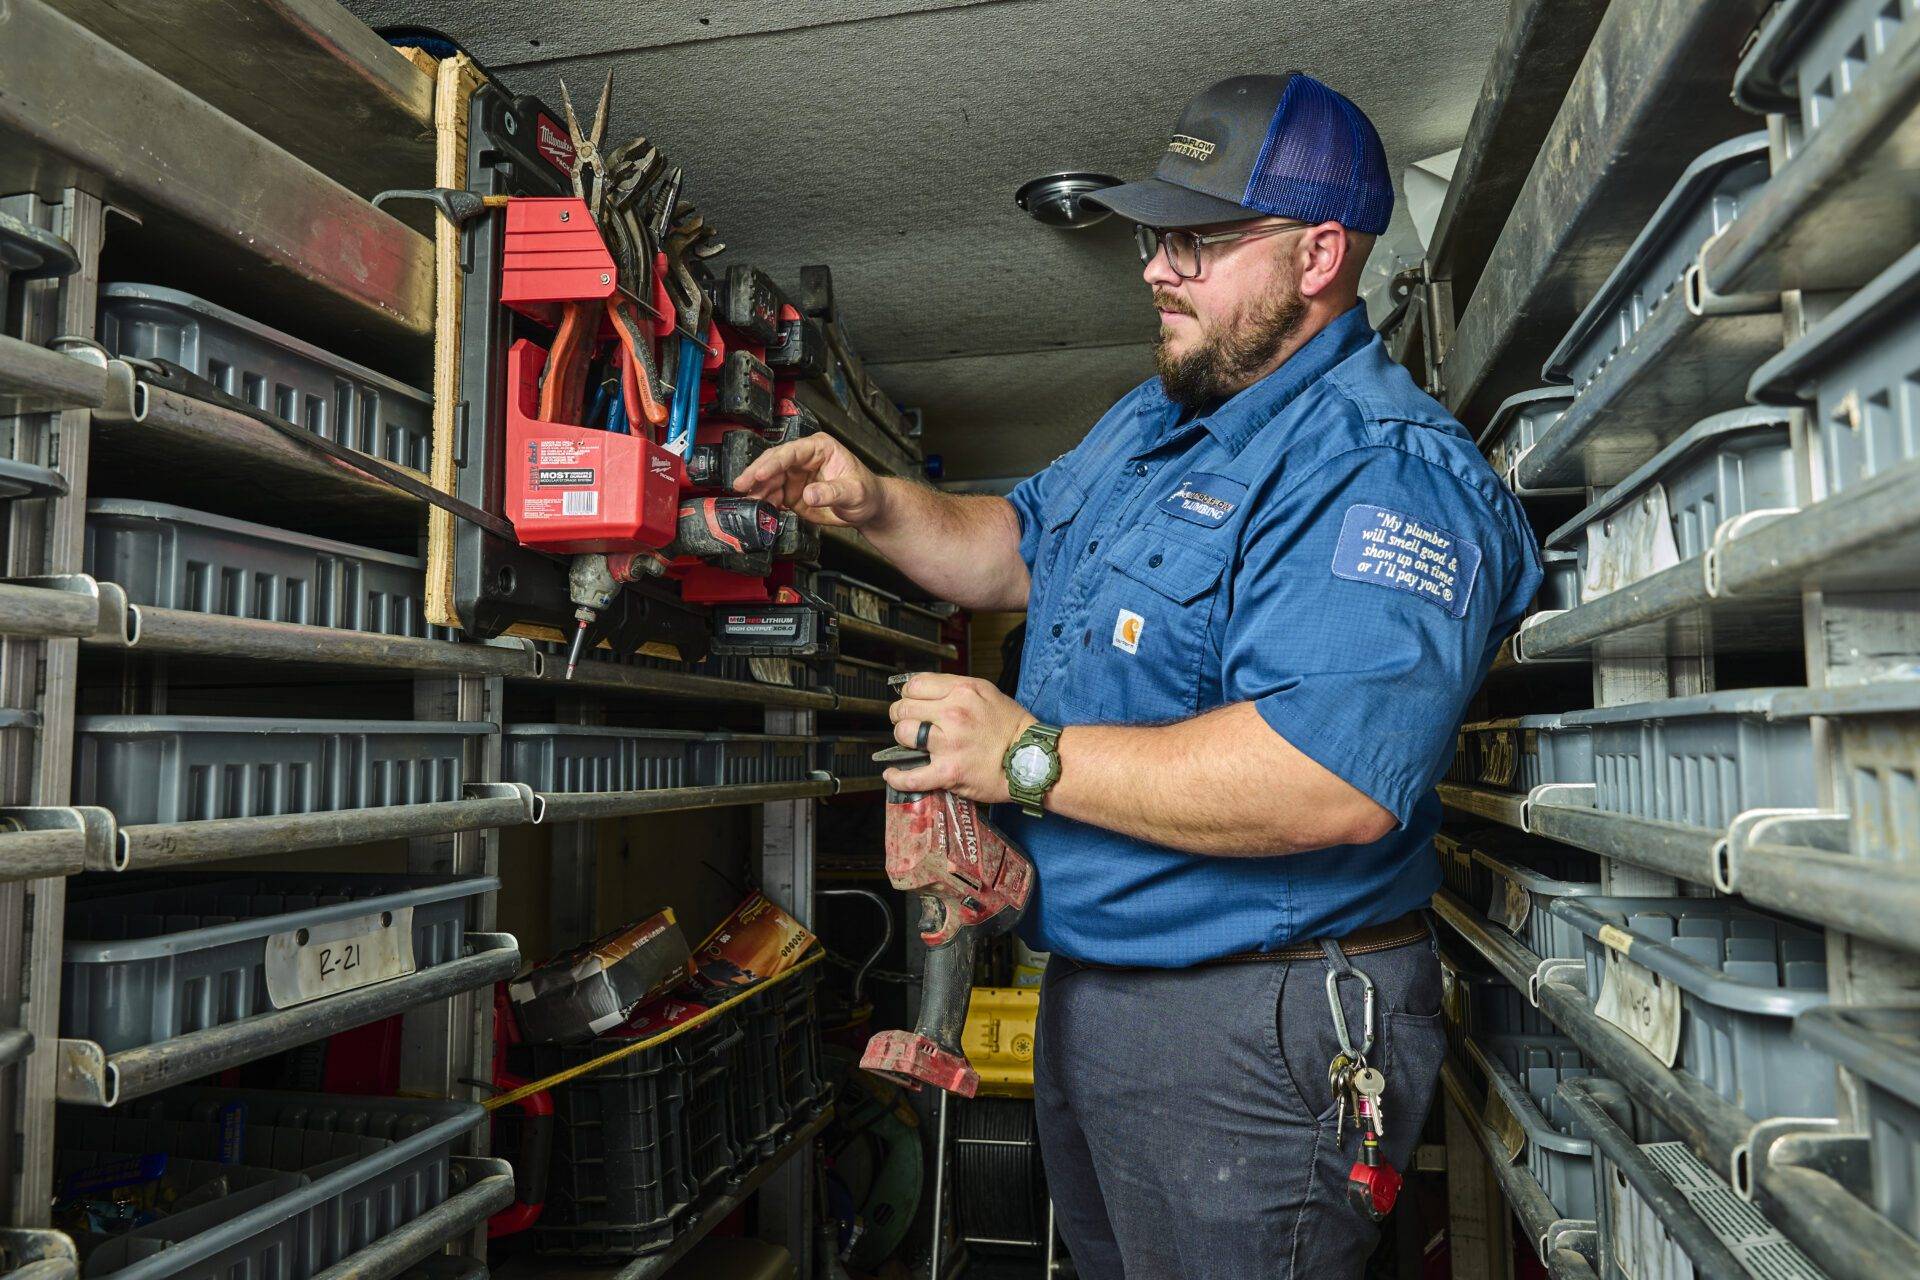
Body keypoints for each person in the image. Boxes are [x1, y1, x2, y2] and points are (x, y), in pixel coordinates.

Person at [736, 71, 1541, 1279]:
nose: (1157, 269)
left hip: (1255, 1018)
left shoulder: (1382, 470)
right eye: (1156, 238)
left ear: (1321, 253)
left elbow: (1327, 779)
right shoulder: (1154, 418)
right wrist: (876, 503)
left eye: (1198, 242)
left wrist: (1024, 756)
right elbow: (1016, 543)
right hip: (1105, 991)